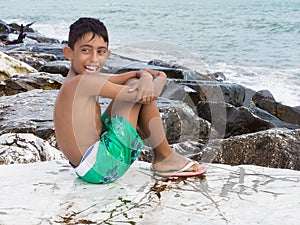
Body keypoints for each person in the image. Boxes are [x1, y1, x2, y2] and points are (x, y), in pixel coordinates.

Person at [54, 17, 206, 184]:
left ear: (108, 54)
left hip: (87, 167)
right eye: (85, 50)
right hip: (101, 165)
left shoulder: (78, 80)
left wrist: (144, 75)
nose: (94, 59)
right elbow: (143, 95)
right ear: (69, 53)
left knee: (133, 84)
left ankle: (165, 157)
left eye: (101, 51)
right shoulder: (83, 82)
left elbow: (126, 76)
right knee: (136, 92)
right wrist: (160, 77)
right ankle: (165, 156)